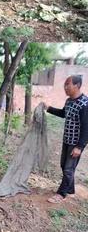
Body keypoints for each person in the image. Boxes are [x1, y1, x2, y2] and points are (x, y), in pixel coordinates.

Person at [43, 75, 88, 203]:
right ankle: (70, 190)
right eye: (65, 84)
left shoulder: (85, 103)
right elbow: (64, 113)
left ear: (77, 85)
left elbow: (86, 127)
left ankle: (61, 194)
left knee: (68, 168)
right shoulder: (69, 101)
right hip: (67, 139)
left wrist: (79, 147)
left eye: (68, 84)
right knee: (64, 166)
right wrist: (49, 108)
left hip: (76, 143)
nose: (65, 87)